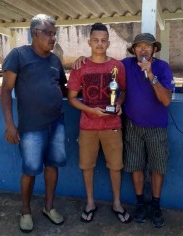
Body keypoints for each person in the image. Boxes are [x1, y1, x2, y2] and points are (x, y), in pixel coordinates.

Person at [72, 33, 174, 228]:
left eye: (147, 46)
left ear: (154, 49)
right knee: (135, 167)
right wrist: (82, 58)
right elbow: (105, 63)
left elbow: (166, 100)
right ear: (133, 50)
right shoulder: (125, 65)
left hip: (156, 128)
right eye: (139, 47)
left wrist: (151, 74)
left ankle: (156, 205)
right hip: (133, 126)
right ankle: (140, 205)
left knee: (157, 168)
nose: (143, 50)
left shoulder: (162, 67)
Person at [0, 14, 67, 233]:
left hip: (56, 123)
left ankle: (49, 208)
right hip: (31, 128)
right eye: (48, 33)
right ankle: (26, 211)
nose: (53, 38)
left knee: (52, 166)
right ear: (34, 33)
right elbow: (5, 90)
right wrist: (10, 125)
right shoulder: (18, 55)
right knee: (29, 170)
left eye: (54, 34)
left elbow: (65, 89)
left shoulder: (55, 61)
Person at [67, 23, 132, 224]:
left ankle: (117, 203)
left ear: (108, 42)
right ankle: (90, 202)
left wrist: (119, 103)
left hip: (113, 125)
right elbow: (72, 98)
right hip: (88, 126)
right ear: (89, 42)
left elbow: (123, 92)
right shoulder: (80, 67)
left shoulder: (117, 66)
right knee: (87, 166)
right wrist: (91, 110)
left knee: (115, 166)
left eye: (103, 40)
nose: (99, 43)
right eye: (96, 40)